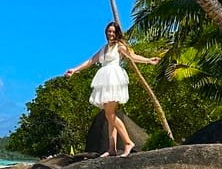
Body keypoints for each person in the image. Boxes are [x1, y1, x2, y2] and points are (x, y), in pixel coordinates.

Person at [65, 21, 160, 156]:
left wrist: (149, 60)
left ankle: (128, 142)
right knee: (109, 115)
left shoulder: (119, 46)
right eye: (109, 31)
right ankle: (111, 148)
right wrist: (75, 70)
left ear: (117, 33)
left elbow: (132, 57)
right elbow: (91, 61)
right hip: (104, 80)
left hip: (114, 79)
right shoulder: (104, 48)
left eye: (113, 32)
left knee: (110, 114)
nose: (111, 34)